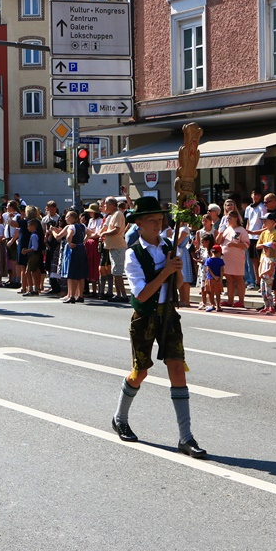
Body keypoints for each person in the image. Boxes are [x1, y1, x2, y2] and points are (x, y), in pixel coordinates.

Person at [111, 196, 206, 458]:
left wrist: (175, 269)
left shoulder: (167, 245)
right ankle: (120, 417)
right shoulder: (133, 253)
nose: (158, 224)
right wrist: (165, 272)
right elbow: (141, 295)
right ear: (139, 223)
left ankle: (185, 437)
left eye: (160, 219)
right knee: (140, 372)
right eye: (152, 220)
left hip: (168, 315)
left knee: (177, 368)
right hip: (145, 317)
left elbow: (175, 286)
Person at [100, 197, 129, 303]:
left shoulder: (118, 214)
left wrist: (104, 233)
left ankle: (124, 295)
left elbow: (116, 230)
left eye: (106, 204)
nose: (105, 206)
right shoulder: (112, 215)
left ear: (111, 205)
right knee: (115, 273)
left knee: (117, 273)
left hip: (118, 247)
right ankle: (119, 294)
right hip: (113, 247)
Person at [57, 209, 88, 303]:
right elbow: (90, 233)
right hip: (81, 249)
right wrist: (83, 241)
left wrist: (69, 242)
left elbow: (67, 236)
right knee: (81, 274)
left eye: (67, 217)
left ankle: (71, 296)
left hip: (73, 250)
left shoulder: (71, 227)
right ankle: (80, 295)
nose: (66, 218)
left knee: (71, 274)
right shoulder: (82, 226)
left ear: (72, 218)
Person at [256, 214, 276, 314]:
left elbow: (273, 245)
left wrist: (265, 246)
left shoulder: (275, 233)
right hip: (263, 259)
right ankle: (266, 305)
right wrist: (264, 245)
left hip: (272, 259)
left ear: (272, 222)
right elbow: (258, 245)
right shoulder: (263, 233)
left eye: (266, 221)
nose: (264, 223)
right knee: (263, 289)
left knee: (272, 286)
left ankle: (273, 305)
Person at [21, 220, 43, 296]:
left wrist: (27, 250)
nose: (27, 228)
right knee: (33, 272)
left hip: (33, 255)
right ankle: (35, 289)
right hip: (34, 255)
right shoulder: (34, 234)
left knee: (27, 272)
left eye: (29, 226)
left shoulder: (34, 235)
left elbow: (35, 247)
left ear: (33, 226)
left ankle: (30, 289)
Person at [204, 245, 225, 312]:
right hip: (218, 279)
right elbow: (222, 270)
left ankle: (212, 304)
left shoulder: (209, 260)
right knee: (218, 293)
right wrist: (220, 278)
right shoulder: (220, 261)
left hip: (210, 278)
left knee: (210, 293)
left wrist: (213, 276)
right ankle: (218, 306)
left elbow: (208, 269)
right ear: (219, 253)